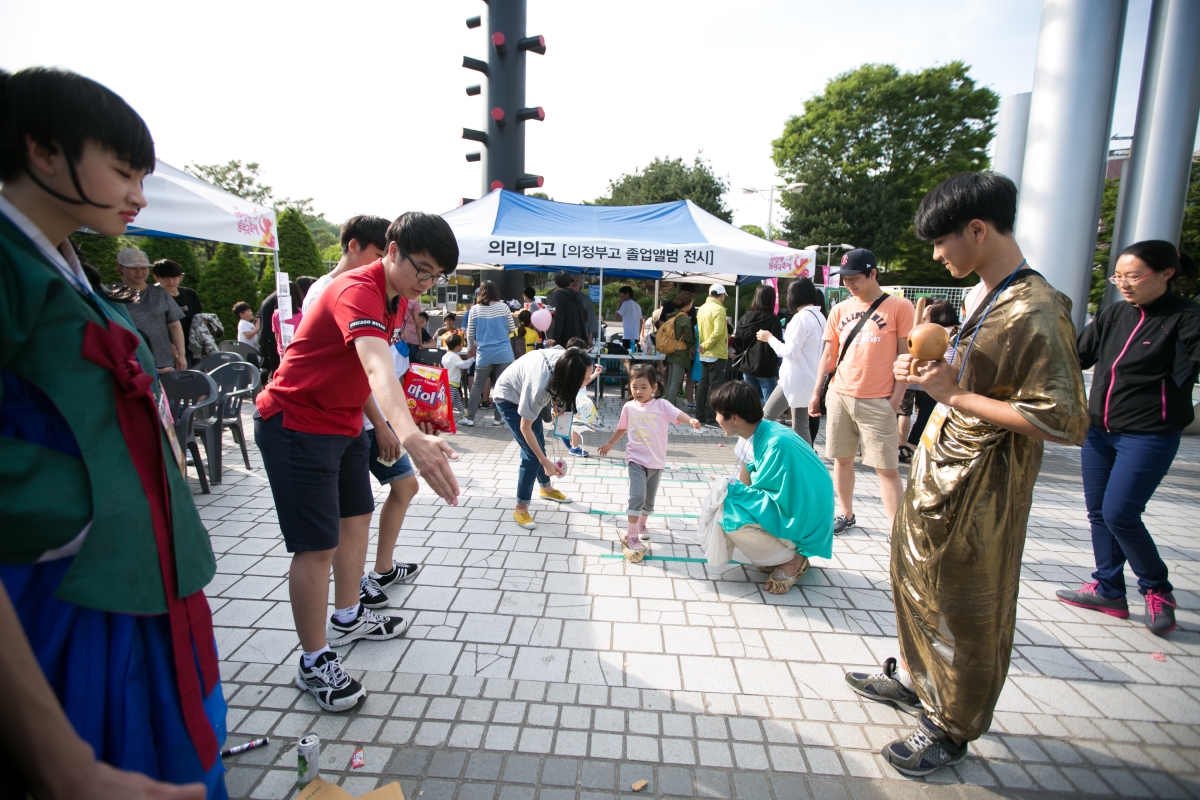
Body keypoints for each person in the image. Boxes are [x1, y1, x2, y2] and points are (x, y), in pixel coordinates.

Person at [0, 66, 227, 796]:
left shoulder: (63, 266)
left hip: (139, 572)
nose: (137, 193)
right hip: (69, 587)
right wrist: (62, 504)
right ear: (42, 151)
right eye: (124, 171)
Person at [845, 171, 1088, 778]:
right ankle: (916, 677)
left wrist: (951, 391)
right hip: (940, 471)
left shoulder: (1037, 308)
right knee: (916, 578)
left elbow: (1063, 420)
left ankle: (952, 725)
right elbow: (977, 380)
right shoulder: (986, 295)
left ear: (977, 230)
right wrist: (937, 368)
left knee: (969, 604)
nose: (935, 254)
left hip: (985, 487)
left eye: (941, 242)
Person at [253, 211, 461, 713]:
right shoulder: (356, 289)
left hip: (342, 424)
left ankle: (347, 616)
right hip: (297, 424)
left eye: (436, 276)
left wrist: (388, 425)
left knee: (356, 520)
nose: (427, 283)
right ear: (391, 251)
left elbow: (364, 372)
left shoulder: (395, 297)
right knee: (315, 548)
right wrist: (410, 435)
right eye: (423, 270)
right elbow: (373, 362)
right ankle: (313, 659)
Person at [1056, 240, 1200, 636]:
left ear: (1167, 274)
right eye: (1118, 275)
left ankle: (1157, 589)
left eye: (1133, 276)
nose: (1123, 283)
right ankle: (1108, 590)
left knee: (1121, 512)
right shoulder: (1112, 314)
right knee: (1100, 512)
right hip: (1099, 431)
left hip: (1149, 434)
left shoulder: (1187, 317)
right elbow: (1074, 357)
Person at [808, 249, 914, 535]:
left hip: (878, 400)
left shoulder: (900, 308)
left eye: (854, 278)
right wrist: (817, 391)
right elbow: (829, 354)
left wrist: (894, 400)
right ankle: (846, 513)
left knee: (887, 468)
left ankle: (897, 529)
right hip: (840, 394)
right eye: (844, 279)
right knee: (841, 459)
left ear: (873, 274)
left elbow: (906, 358)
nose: (849, 284)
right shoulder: (839, 309)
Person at [709, 382, 834, 594]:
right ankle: (779, 553)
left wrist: (727, 492)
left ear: (734, 418)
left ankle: (793, 560)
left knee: (729, 512)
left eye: (719, 414)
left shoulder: (775, 443)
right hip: (803, 509)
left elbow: (759, 495)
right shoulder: (764, 431)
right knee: (731, 501)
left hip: (806, 518)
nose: (716, 419)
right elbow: (752, 479)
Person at [598, 364, 701, 561]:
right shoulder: (629, 407)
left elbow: (677, 414)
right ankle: (631, 534)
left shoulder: (661, 405)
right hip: (635, 458)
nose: (638, 391)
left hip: (656, 461)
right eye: (634, 386)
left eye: (644, 387)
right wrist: (610, 443)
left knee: (649, 501)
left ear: (654, 387)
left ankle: (642, 523)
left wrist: (690, 421)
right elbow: (622, 427)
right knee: (637, 495)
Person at [492, 346, 599, 529]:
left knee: (539, 447)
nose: (587, 381)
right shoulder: (539, 387)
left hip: (526, 389)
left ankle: (546, 488)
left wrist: (558, 402)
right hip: (509, 397)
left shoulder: (568, 357)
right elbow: (525, 428)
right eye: (585, 379)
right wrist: (544, 461)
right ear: (571, 378)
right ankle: (520, 507)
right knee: (532, 455)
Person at [761, 278, 826, 446]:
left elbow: (789, 352)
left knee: (767, 416)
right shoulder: (820, 317)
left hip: (794, 379)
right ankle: (807, 462)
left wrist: (770, 338)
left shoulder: (801, 318)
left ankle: (759, 453)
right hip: (811, 379)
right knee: (801, 424)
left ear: (793, 296)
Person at [301, 215, 390, 313]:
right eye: (379, 256)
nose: (384, 264)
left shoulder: (369, 290)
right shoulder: (321, 293)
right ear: (354, 246)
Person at [118, 247, 187, 373]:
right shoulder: (111, 294)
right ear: (121, 268)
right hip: (129, 362)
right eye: (133, 268)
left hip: (164, 361)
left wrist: (181, 355)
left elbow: (174, 325)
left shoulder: (161, 293)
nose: (139, 272)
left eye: (143, 268)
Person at [903, 300, 959, 451]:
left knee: (919, 414)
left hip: (931, 377)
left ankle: (910, 446)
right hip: (955, 380)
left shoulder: (932, 332)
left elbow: (915, 346)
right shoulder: (959, 331)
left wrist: (922, 318)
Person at [465, 280, 516, 426]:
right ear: (496, 292)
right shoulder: (504, 307)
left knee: (477, 386)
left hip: (484, 353)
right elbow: (512, 329)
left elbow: (470, 334)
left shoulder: (474, 310)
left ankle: (470, 418)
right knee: (502, 386)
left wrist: (470, 347)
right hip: (504, 353)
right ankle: (498, 419)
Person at [733, 284, 783, 404]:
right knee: (769, 404)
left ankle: (748, 422)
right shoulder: (774, 320)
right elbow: (777, 344)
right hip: (766, 366)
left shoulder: (745, 318)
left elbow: (737, 342)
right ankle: (766, 422)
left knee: (748, 401)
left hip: (747, 365)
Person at [153, 258, 202, 364]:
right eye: (165, 278)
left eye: (174, 277)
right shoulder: (154, 298)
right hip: (167, 350)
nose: (170, 282)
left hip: (192, 347)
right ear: (156, 278)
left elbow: (198, 318)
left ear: (180, 276)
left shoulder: (190, 294)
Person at [696, 284, 730, 427]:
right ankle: (711, 419)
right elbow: (717, 332)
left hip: (704, 353)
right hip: (715, 352)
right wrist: (707, 345)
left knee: (703, 385)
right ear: (721, 296)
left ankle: (700, 416)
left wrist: (703, 345)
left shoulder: (702, 308)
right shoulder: (719, 309)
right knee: (715, 387)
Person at [656, 293, 696, 410]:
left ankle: (666, 406)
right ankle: (670, 408)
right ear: (687, 304)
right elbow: (688, 337)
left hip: (672, 352)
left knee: (670, 381)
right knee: (675, 381)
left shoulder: (673, 316)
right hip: (681, 353)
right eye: (691, 303)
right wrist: (692, 343)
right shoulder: (683, 318)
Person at [546, 270, 591, 346]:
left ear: (556, 283)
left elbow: (560, 317)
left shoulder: (560, 295)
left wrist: (555, 337)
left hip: (565, 338)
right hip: (578, 336)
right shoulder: (578, 296)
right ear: (569, 281)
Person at [441, 333, 475, 425]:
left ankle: (462, 412)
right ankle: (445, 418)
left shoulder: (445, 355)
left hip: (449, 381)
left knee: (457, 398)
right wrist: (472, 359)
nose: (462, 346)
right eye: (461, 344)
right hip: (452, 382)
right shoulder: (454, 357)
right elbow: (463, 365)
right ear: (457, 347)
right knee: (450, 401)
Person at [269, 281, 303, 359]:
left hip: (283, 351)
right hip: (298, 350)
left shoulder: (276, 314)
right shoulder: (302, 313)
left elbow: (276, 336)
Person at [616, 285, 643, 350]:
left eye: (622, 294)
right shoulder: (637, 305)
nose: (621, 297)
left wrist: (620, 303)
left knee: (626, 357)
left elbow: (617, 316)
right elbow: (641, 321)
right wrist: (638, 335)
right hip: (635, 336)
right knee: (633, 355)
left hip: (628, 336)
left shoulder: (626, 304)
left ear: (627, 294)